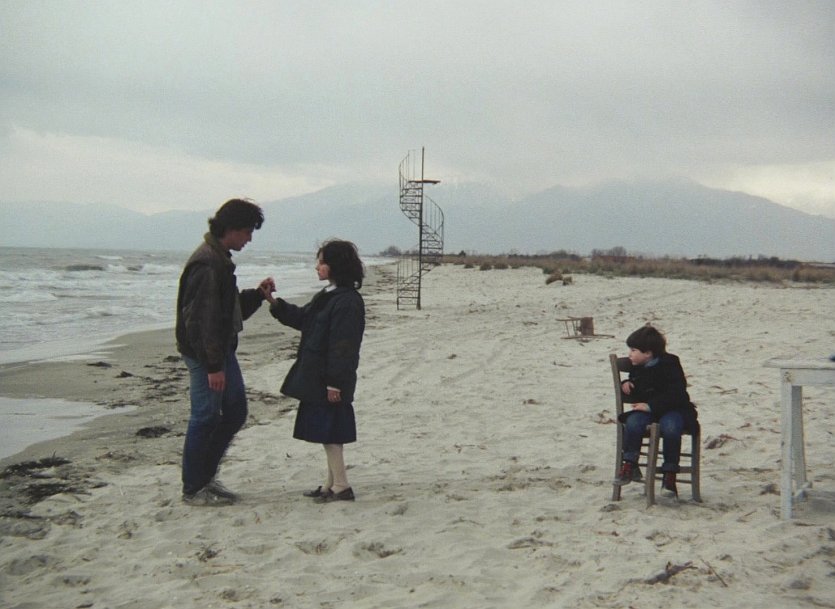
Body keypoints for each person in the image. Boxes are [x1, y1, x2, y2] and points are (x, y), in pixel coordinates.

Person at [175, 198, 275, 506]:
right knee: (205, 416)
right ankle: (194, 488)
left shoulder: (219, 259)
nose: (249, 239)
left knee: (235, 412)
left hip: (219, 351)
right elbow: (200, 321)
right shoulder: (208, 263)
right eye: (247, 231)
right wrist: (213, 366)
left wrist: (258, 296)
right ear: (231, 229)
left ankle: (205, 478)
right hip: (206, 354)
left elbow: (226, 312)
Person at [265, 239, 365, 503]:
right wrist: (273, 301)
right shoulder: (329, 295)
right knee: (328, 432)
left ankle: (341, 486)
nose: (317, 267)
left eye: (322, 262)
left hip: (329, 379)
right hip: (318, 376)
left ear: (335, 265)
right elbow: (303, 319)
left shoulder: (347, 301)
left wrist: (335, 383)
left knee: (330, 431)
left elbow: (344, 347)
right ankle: (331, 484)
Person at [614, 325, 697, 497]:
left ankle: (669, 474)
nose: (630, 354)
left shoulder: (671, 363)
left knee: (671, 427)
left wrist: (651, 406)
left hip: (674, 409)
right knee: (633, 422)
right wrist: (626, 383)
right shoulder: (637, 366)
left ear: (648, 353)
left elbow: (677, 393)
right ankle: (630, 464)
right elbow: (637, 384)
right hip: (648, 413)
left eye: (633, 350)